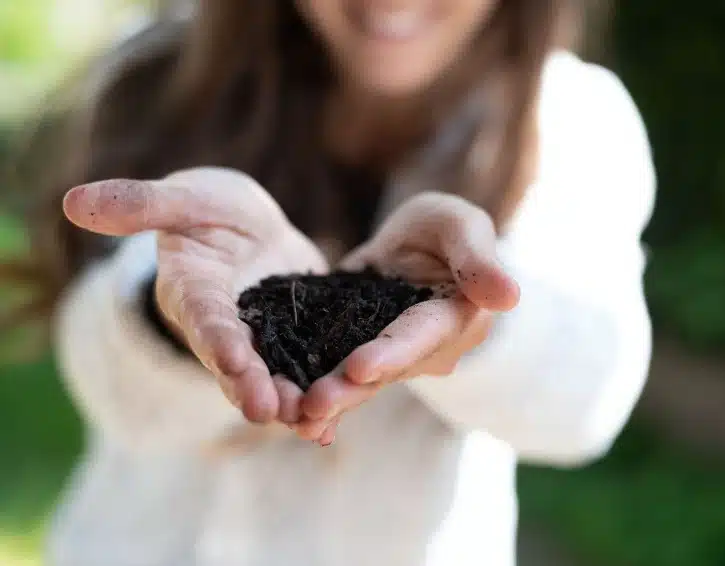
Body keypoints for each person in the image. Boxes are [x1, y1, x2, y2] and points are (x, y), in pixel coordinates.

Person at [5, 1, 655, 565]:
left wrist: (482, 324)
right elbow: (108, 389)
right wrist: (167, 318)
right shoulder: (164, 74)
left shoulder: (572, 121)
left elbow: (585, 398)